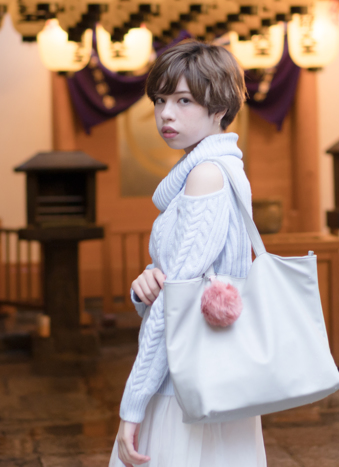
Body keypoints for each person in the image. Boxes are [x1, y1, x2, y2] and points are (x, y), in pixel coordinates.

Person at [109, 41, 266, 467]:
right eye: (160, 100)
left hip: (186, 382)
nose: (166, 114)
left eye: (183, 100)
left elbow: (175, 305)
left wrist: (133, 404)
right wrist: (148, 280)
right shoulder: (222, 168)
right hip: (213, 373)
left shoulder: (206, 175)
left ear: (219, 108)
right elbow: (186, 277)